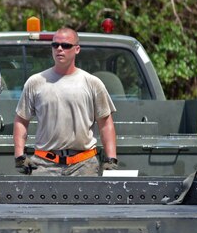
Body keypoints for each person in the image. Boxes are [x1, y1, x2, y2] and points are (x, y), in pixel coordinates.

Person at [12, 27, 118, 176]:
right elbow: (21, 120)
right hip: (43, 165)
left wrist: (111, 160)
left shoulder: (93, 83)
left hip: (84, 164)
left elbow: (106, 124)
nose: (59, 49)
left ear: (77, 49)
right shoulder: (35, 82)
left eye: (66, 45)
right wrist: (19, 156)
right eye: (55, 45)